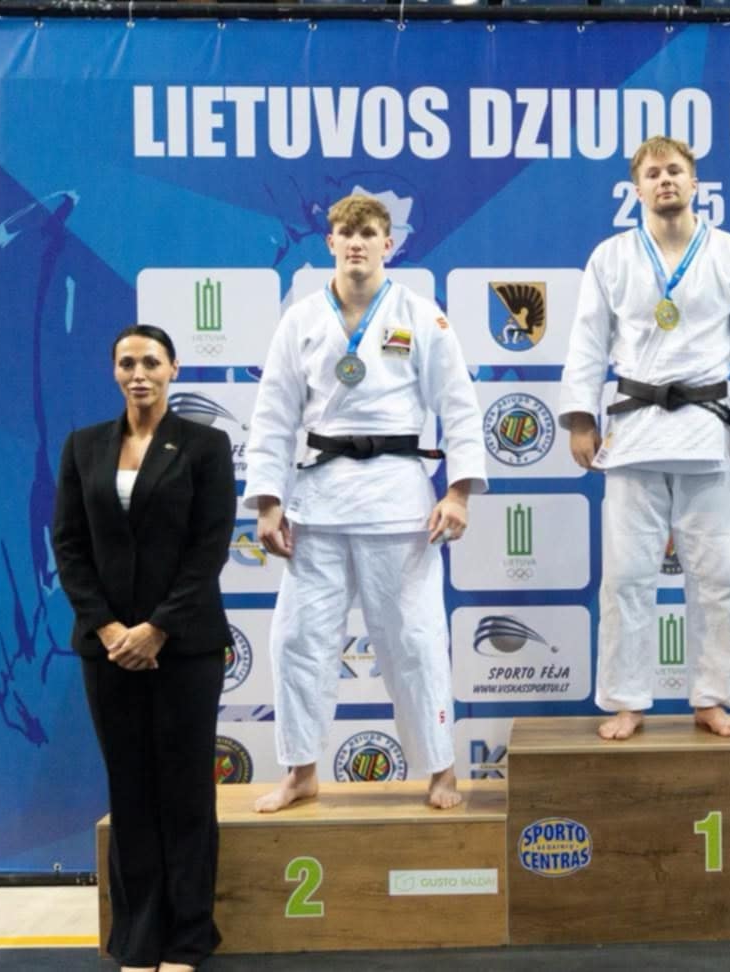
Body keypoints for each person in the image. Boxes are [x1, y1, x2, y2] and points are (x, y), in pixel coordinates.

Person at [244, 194, 486, 812]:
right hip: (318, 503)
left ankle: (441, 770)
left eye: (369, 233)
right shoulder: (300, 319)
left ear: (388, 244)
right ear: (329, 242)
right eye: (346, 233)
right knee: (296, 640)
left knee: (417, 641)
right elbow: (273, 415)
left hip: (397, 501)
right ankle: (301, 770)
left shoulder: (420, 315)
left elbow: (459, 405)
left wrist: (458, 491)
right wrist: (268, 502)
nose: (357, 243)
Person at [560, 135, 730, 741]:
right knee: (626, 576)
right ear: (636, 189)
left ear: (694, 183)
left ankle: (711, 696)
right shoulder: (610, 257)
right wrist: (580, 418)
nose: (665, 181)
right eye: (653, 173)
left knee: (720, 576)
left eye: (675, 171)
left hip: (707, 431)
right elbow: (587, 342)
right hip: (634, 430)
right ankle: (627, 699)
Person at [53, 324, 236, 972]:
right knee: (129, 791)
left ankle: (188, 938)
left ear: (173, 369)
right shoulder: (83, 447)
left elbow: (210, 546)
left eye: (151, 362)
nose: (139, 373)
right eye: (127, 362)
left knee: (186, 792)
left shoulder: (206, 446)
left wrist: (156, 628)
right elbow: (69, 545)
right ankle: (138, 939)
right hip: (107, 651)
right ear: (114, 371)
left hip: (185, 648)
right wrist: (108, 629)